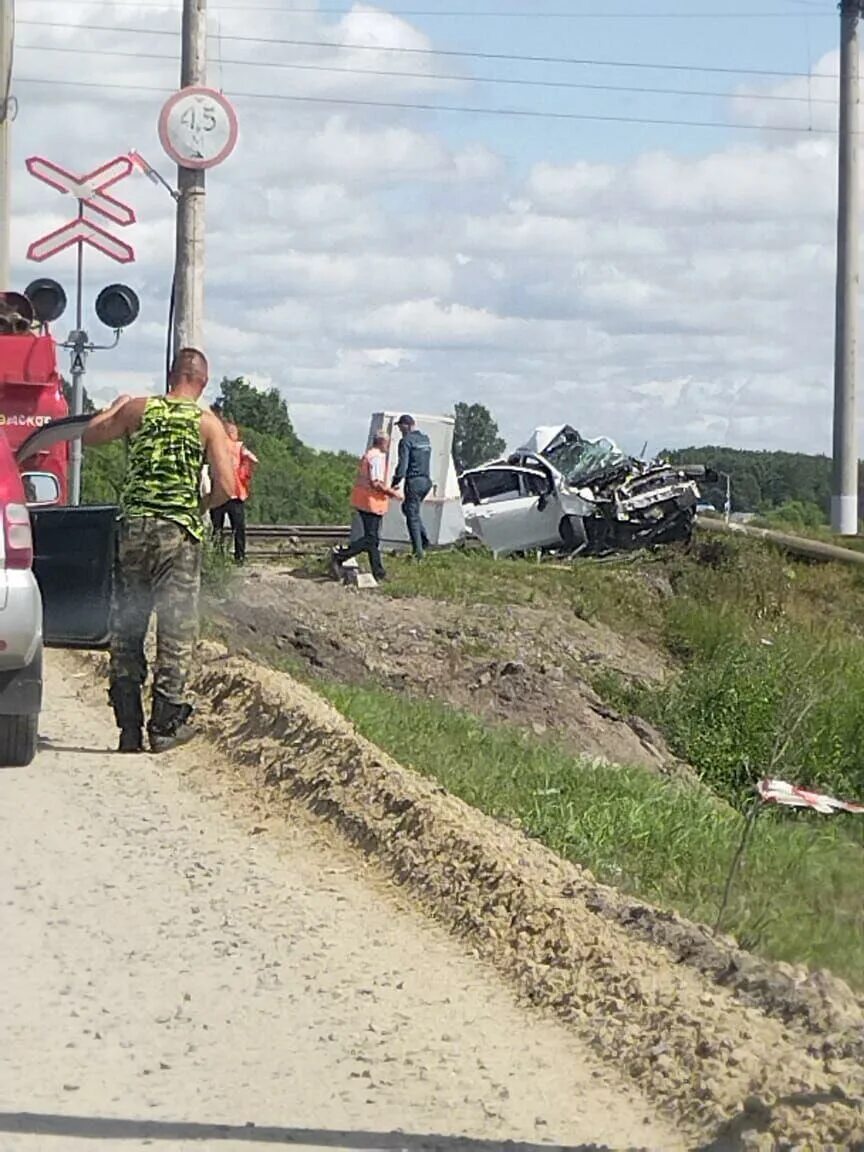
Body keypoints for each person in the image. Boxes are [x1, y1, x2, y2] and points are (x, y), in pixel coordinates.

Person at [81, 348, 236, 755]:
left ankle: (128, 728)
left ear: (171, 376)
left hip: (133, 528)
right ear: (203, 382)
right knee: (176, 627)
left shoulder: (137, 409)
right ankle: (164, 725)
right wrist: (198, 507)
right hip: (177, 534)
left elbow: (90, 435)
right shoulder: (207, 422)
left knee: (128, 624)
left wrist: (113, 407)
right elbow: (228, 486)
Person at [330, 431, 400, 583]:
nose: (389, 446)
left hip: (364, 501)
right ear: (382, 442)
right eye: (387, 442)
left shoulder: (369, 455)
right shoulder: (377, 458)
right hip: (371, 503)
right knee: (371, 539)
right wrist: (392, 493)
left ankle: (379, 572)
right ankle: (340, 555)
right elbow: (376, 483)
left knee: (373, 540)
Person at [210, 421, 258, 565]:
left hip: (217, 494)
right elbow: (254, 459)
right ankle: (239, 558)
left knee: (216, 529)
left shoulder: (215, 446)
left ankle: (216, 558)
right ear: (231, 433)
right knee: (238, 529)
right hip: (235, 494)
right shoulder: (238, 447)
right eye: (236, 433)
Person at [392, 414, 433, 560]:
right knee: (409, 509)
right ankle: (423, 540)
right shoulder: (425, 440)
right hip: (426, 481)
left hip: (414, 481)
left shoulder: (406, 441)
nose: (400, 430)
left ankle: (418, 552)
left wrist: (395, 482)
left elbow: (403, 465)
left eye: (401, 427)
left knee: (412, 516)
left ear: (407, 425)